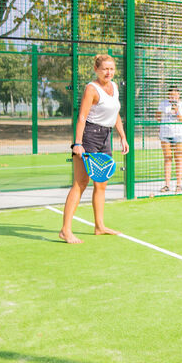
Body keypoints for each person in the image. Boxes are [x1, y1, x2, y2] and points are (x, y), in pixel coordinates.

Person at [60, 54, 130, 244]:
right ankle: (66, 230)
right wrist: (78, 144)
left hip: (106, 136)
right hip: (89, 136)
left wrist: (122, 136)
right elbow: (82, 117)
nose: (109, 72)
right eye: (105, 69)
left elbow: (115, 114)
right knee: (80, 184)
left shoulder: (114, 87)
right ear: (96, 69)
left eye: (112, 69)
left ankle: (99, 226)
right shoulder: (92, 89)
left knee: (101, 184)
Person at [155, 86, 182, 193]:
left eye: (175, 95)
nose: (173, 97)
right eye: (171, 95)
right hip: (165, 134)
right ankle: (167, 185)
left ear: (178, 95)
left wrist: (177, 113)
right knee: (167, 158)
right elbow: (157, 117)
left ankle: (179, 185)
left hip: (178, 134)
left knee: (178, 159)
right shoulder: (163, 104)